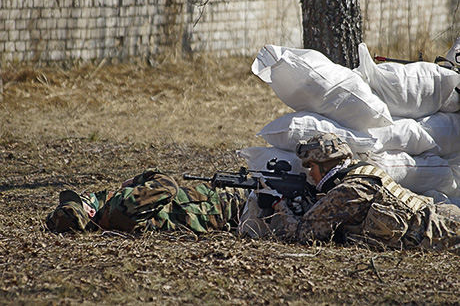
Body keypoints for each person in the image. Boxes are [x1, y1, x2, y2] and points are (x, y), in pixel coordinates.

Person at [243, 132, 460, 252]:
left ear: (326, 165)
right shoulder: (361, 173)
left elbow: (302, 236)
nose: (310, 174)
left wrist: (278, 203)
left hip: (441, 232)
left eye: (312, 167)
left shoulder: (348, 190)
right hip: (442, 218)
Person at [45, 169, 244, 234]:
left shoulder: (112, 220)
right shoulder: (120, 206)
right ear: (90, 213)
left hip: (224, 217)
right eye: (82, 200)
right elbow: (168, 186)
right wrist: (138, 180)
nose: (85, 195)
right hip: (227, 205)